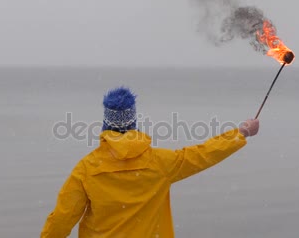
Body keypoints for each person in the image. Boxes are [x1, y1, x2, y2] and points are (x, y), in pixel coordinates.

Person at [41, 87, 260, 238]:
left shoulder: (86, 169)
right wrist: (240, 133)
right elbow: (204, 154)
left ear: (106, 124)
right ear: (133, 121)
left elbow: (61, 220)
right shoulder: (161, 163)